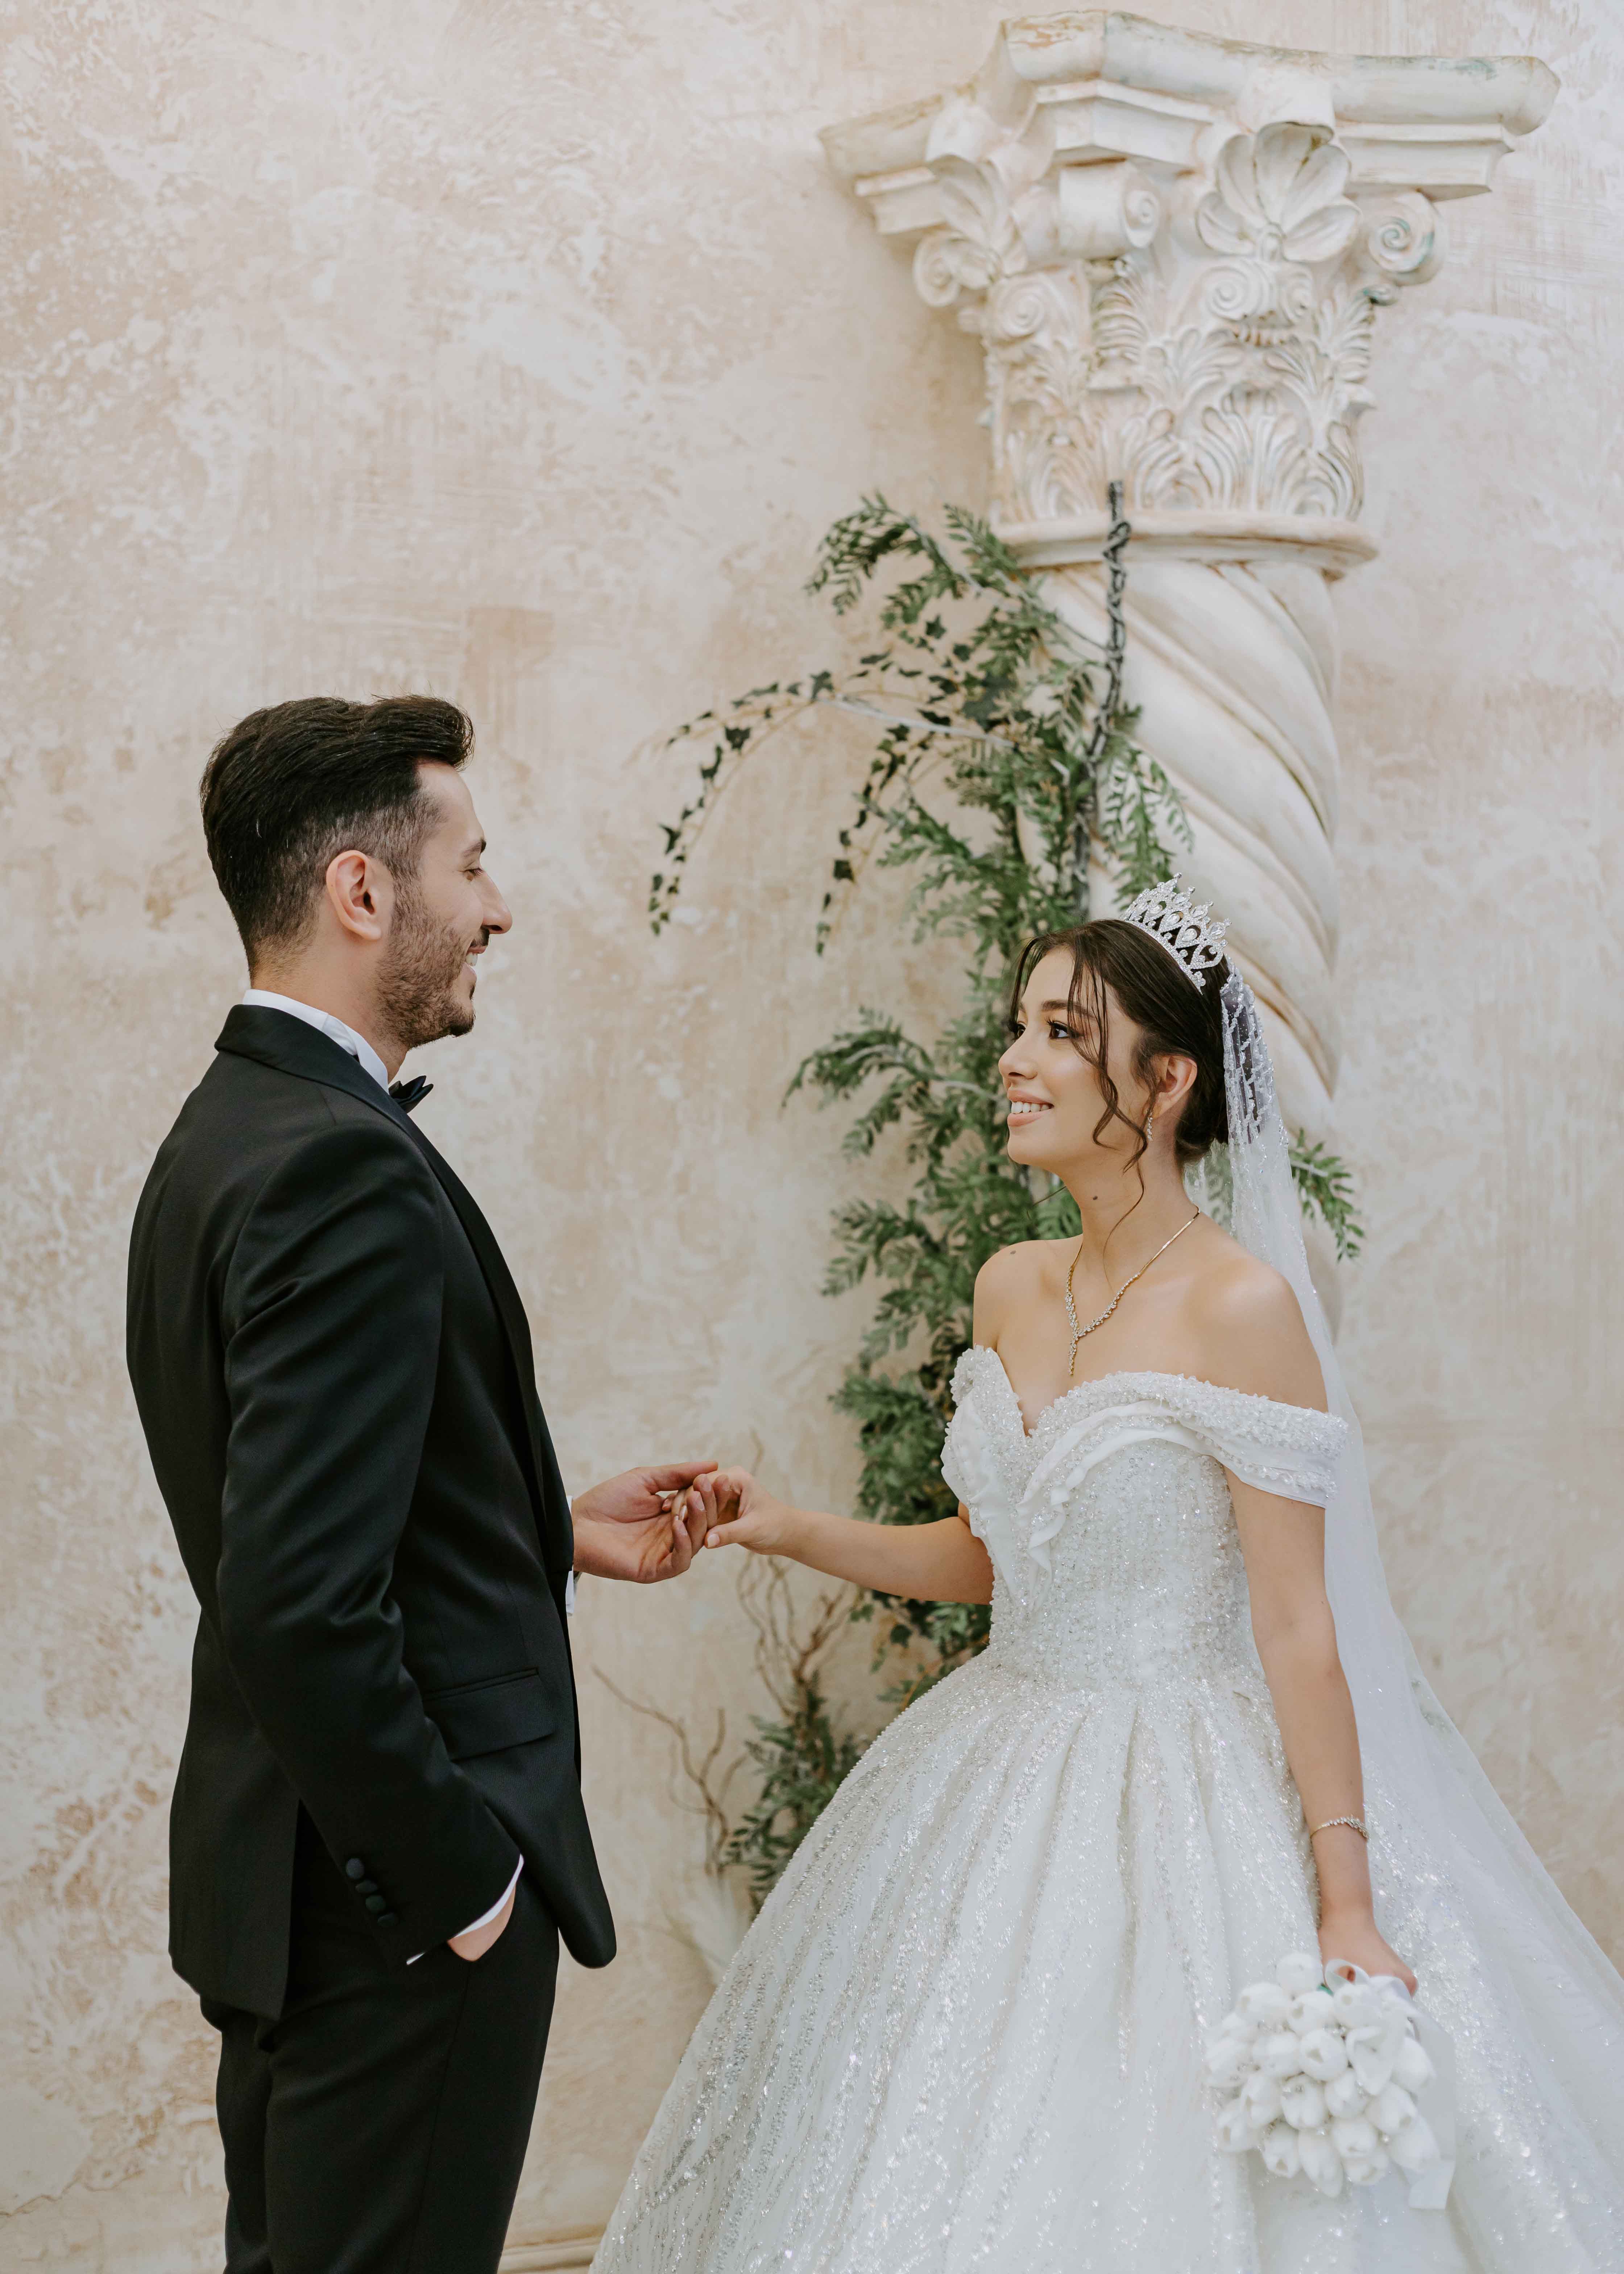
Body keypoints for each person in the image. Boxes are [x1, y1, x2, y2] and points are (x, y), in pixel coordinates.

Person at [593, 885, 1624, 2272]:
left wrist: (1345, 1904)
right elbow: (995, 1560)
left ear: (1167, 1079)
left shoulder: (1241, 1307)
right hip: (1001, 1764)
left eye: (1064, 1034)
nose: (1016, 1059)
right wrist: (781, 1525)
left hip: (1191, 1777)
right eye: (1021, 1026)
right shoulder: (1012, 1284)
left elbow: (1297, 1623)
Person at [126, 695, 720, 2274]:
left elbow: (295, 1516)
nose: (498, 907)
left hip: (291, 1886)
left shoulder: (225, 1130)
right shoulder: (342, 1166)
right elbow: (298, 1604)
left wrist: (542, 1528)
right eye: (473, 864)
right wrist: (466, 1883)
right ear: (361, 891)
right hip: (388, 1915)